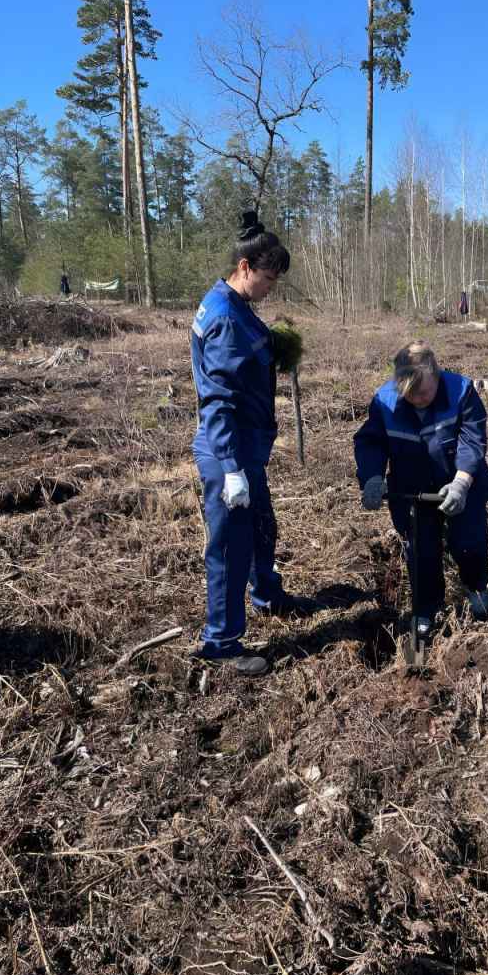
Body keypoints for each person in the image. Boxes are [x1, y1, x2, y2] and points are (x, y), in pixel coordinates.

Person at [190, 209, 304, 674]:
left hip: (247, 449)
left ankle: (266, 594)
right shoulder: (225, 319)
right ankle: (221, 641)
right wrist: (232, 469)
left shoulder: (234, 305)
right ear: (244, 268)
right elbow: (217, 400)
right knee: (230, 547)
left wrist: (275, 346)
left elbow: (245, 356)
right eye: (268, 278)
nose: (271, 287)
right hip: (229, 452)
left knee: (261, 528)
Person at [354, 341, 488, 637]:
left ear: (437, 375)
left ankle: (477, 587)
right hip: (412, 489)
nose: (418, 399)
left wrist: (462, 482)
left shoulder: (460, 392)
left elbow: (472, 439)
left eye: (425, 392)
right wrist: (372, 478)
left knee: (469, 542)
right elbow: (371, 442)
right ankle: (426, 609)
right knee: (420, 552)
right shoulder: (384, 401)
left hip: (461, 482)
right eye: (411, 393)